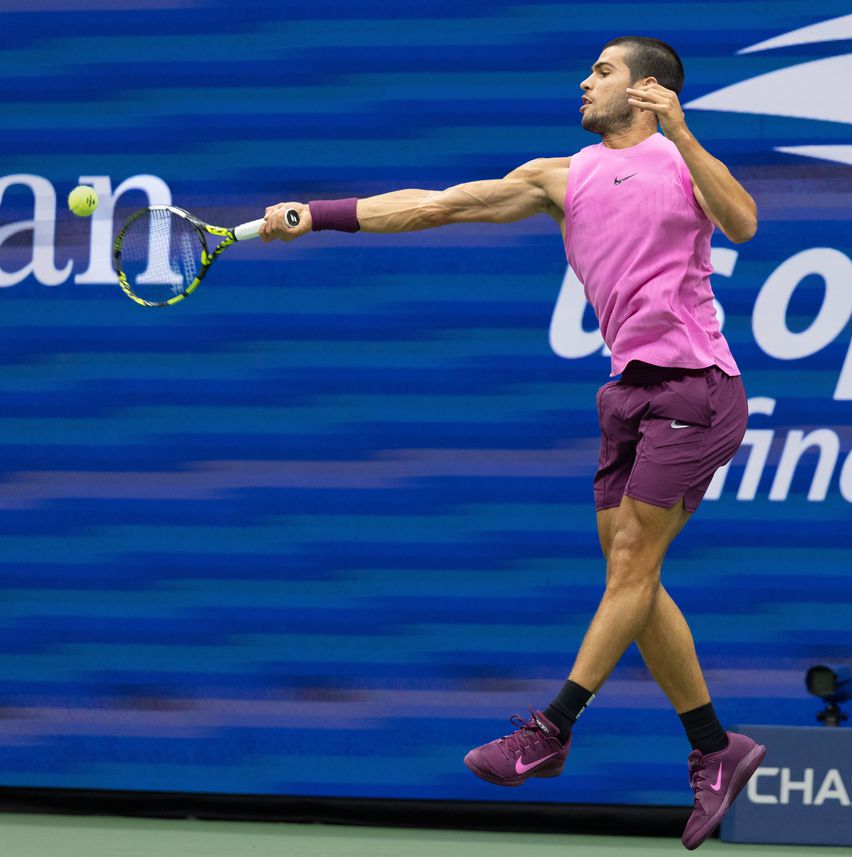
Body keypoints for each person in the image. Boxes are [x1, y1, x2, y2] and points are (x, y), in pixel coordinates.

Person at [259, 35, 764, 851]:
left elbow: (742, 221)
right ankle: (716, 746)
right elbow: (438, 204)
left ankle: (551, 727)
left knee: (631, 566)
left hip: (695, 386)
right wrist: (318, 214)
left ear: (647, 90)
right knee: (632, 582)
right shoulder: (558, 177)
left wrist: (683, 133)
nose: (585, 82)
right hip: (626, 392)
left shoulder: (682, 162)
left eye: (603, 71)